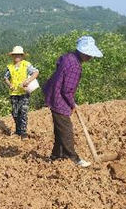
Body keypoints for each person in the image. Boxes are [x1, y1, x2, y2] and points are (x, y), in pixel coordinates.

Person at [42, 35, 103, 168]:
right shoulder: (75, 67)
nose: (90, 57)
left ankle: (56, 155)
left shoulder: (68, 57)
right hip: (59, 99)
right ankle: (74, 157)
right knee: (66, 130)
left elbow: (58, 64)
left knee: (60, 129)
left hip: (53, 94)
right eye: (88, 54)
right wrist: (72, 104)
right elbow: (66, 90)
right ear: (82, 52)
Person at [2, 46, 39, 138]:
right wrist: (9, 84)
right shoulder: (10, 67)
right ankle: (18, 130)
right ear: (13, 56)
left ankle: (23, 133)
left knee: (23, 111)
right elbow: (5, 77)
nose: (17, 57)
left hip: (24, 92)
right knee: (15, 112)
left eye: (18, 55)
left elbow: (36, 72)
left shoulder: (26, 65)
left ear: (22, 56)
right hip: (14, 93)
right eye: (15, 55)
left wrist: (28, 81)